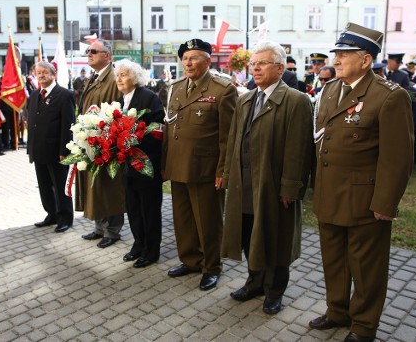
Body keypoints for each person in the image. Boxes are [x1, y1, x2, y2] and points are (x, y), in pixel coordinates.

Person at [309, 23, 413, 342]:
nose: (336, 60)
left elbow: (397, 158)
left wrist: (384, 203)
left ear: (365, 60)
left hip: (363, 200)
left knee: (366, 267)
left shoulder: (389, 96)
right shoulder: (329, 90)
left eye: (344, 54)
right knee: (334, 259)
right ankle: (337, 310)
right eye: (336, 54)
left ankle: (364, 325)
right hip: (329, 193)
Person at [222, 41, 312, 315]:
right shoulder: (246, 98)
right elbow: (234, 141)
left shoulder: (296, 101)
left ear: (280, 68)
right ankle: (255, 282)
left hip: (273, 186)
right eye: (253, 64)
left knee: (276, 238)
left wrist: (290, 188)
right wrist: (227, 175)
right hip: (245, 184)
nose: (255, 68)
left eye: (262, 63)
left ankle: (274, 291)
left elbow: (299, 150)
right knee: (250, 234)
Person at [162, 38, 236, 291]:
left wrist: (223, 171)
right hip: (178, 165)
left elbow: (228, 137)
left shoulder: (222, 89)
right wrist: (164, 163)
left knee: (208, 220)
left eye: (193, 58)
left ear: (207, 60)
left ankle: (211, 267)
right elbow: (170, 128)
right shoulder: (175, 87)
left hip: (205, 169)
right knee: (182, 218)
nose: (188, 62)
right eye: (184, 58)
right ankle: (191, 260)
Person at [114, 60, 165, 268]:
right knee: (133, 208)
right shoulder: (120, 100)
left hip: (147, 165)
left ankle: (151, 251)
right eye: (118, 75)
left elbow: (157, 130)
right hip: (128, 166)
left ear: (135, 78)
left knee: (149, 210)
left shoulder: (149, 97)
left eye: (124, 75)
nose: (119, 79)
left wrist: (132, 141)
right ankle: (138, 244)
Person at [75, 39, 125, 248]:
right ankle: (99, 227)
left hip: (108, 142)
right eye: (88, 51)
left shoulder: (115, 77)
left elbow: (120, 109)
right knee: (94, 185)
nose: (89, 54)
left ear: (107, 55)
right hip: (91, 140)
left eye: (94, 51)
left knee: (108, 186)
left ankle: (112, 231)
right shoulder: (94, 77)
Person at [27, 61, 75, 233]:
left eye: (45, 72)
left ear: (53, 74)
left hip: (57, 151)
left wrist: (65, 150)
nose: (41, 75)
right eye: (38, 72)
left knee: (61, 186)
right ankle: (51, 214)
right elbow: (32, 123)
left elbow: (68, 124)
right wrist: (30, 148)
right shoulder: (33, 95)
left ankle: (65, 218)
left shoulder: (65, 95)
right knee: (45, 186)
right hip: (38, 149)